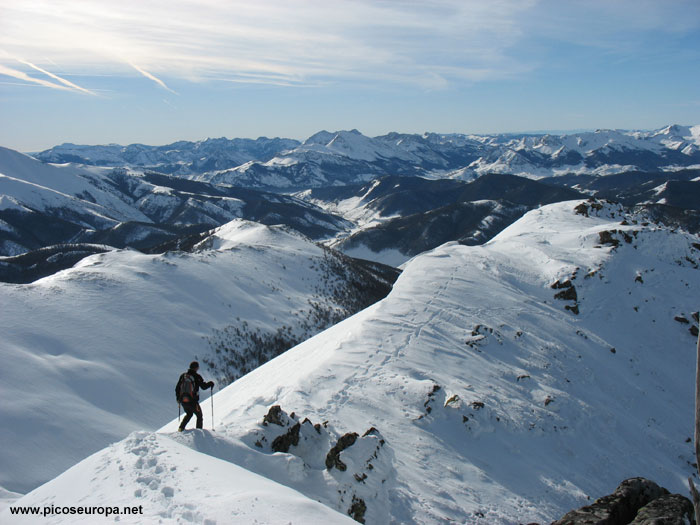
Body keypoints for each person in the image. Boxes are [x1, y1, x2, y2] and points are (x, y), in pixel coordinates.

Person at [176, 361, 214, 431]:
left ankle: (180, 429)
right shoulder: (197, 377)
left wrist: (178, 398)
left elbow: (177, 388)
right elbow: (203, 387)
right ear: (196, 368)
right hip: (193, 401)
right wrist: (211, 383)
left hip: (183, 401)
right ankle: (199, 432)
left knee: (189, 414)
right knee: (199, 416)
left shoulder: (183, 376)